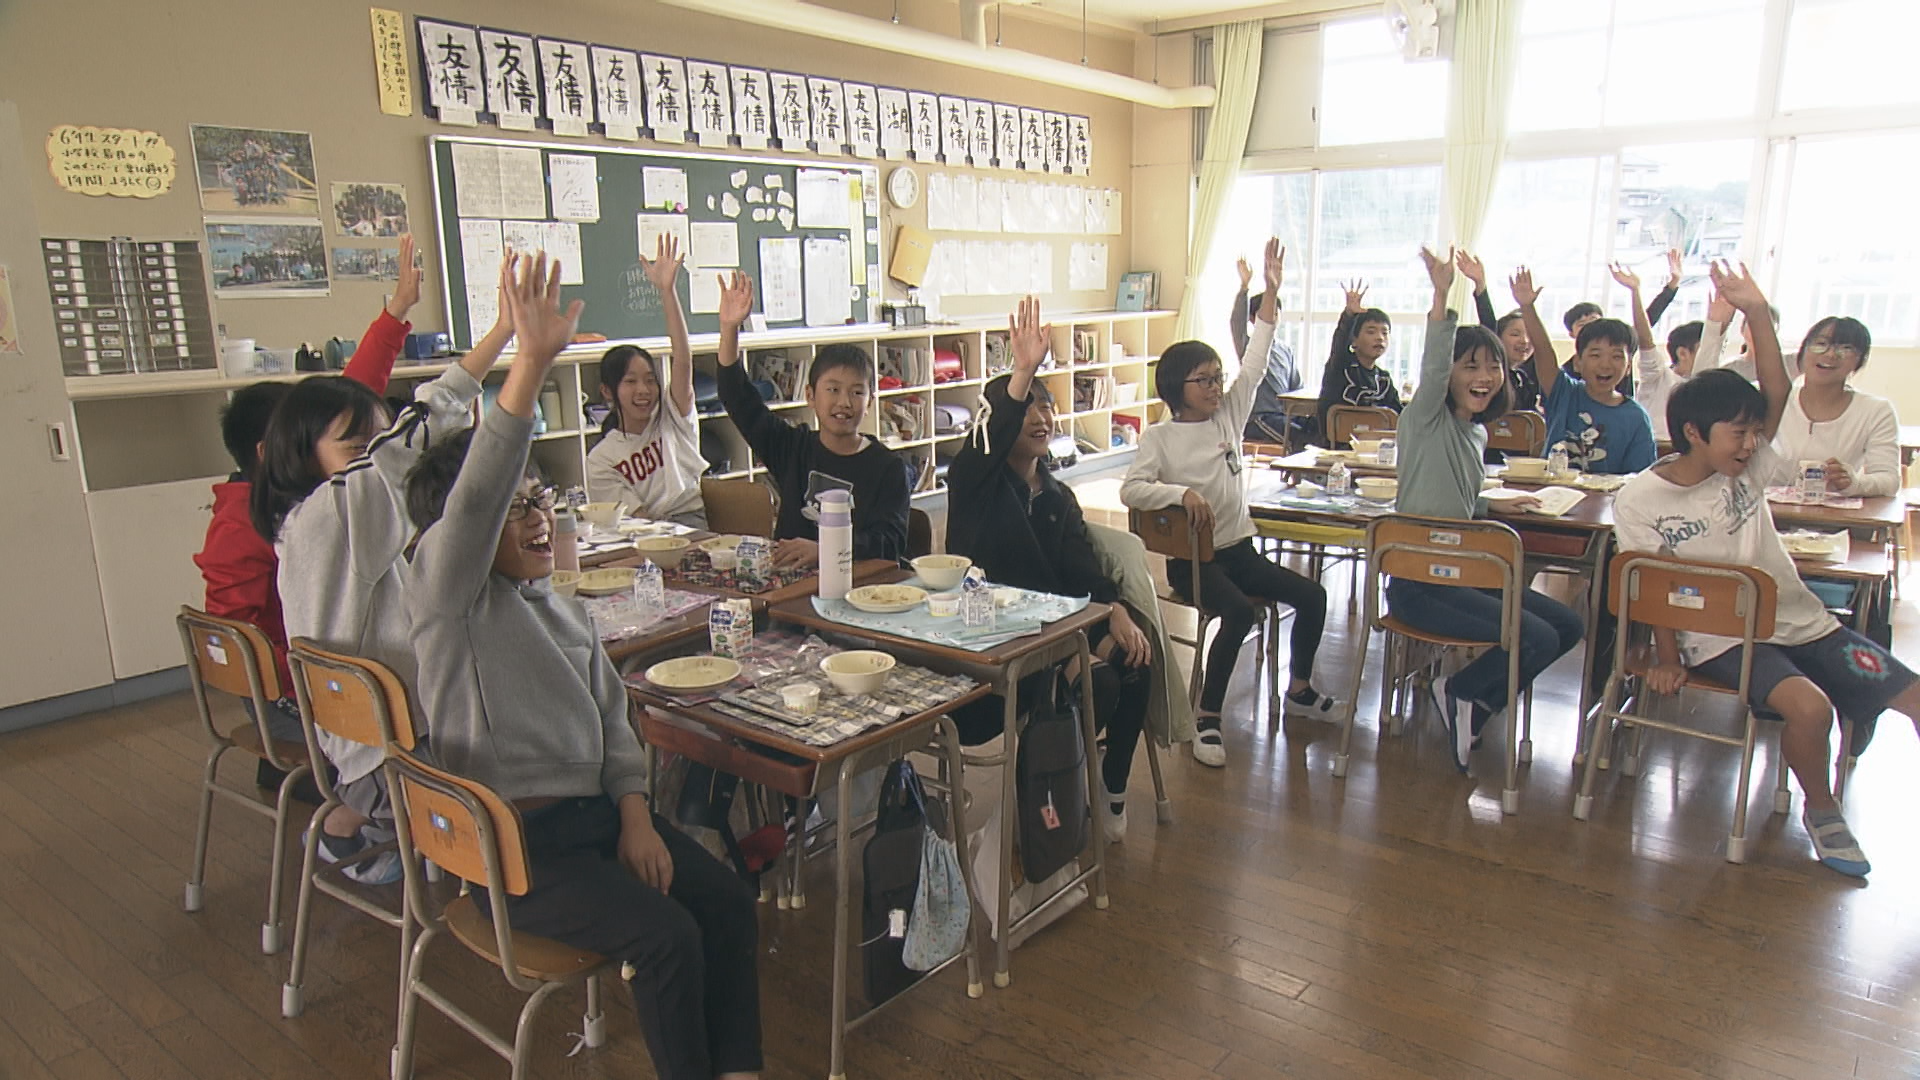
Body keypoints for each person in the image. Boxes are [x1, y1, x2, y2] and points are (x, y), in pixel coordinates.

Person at [404, 253, 761, 1080]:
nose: (535, 519)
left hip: (598, 823)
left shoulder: (556, 600)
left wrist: (636, 813)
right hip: (516, 847)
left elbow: (612, 717)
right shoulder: (447, 598)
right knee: (668, 938)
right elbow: (477, 498)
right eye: (515, 508)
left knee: (728, 904)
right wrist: (526, 364)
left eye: (540, 501)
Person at [1612, 262, 1919, 880]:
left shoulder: (1746, 468)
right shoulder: (1642, 498)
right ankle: (1824, 812)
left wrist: (1755, 310)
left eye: (1758, 433)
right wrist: (1667, 654)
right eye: (1740, 434)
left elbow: (1776, 390)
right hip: (1721, 638)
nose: (1754, 445)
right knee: (1810, 710)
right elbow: (1651, 586)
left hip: (1802, 621)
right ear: (1694, 434)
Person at [251, 255, 515, 883]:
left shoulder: (305, 524)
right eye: (355, 447)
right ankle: (385, 838)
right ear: (300, 455)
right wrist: (504, 339)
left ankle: (361, 828)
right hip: (396, 762)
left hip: (358, 752)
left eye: (375, 441)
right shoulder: (335, 517)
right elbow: (413, 441)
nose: (373, 457)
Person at [195, 235, 423, 793]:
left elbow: (353, 398)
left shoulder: (290, 496)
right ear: (274, 450)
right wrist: (308, 686)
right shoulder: (263, 524)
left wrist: (395, 313)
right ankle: (356, 806)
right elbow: (244, 637)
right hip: (301, 698)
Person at [1122, 240, 1339, 768]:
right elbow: (1132, 490)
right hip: (1195, 562)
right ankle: (1208, 718)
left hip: (1240, 552)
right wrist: (1181, 493)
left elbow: (1258, 359)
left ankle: (1301, 689)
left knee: (1312, 597)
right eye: (1205, 379)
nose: (1217, 385)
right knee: (1238, 614)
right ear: (1178, 387)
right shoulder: (1160, 438)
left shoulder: (1228, 417)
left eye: (1218, 376)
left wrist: (1270, 292)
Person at [948, 296, 1159, 840]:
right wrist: (1022, 372)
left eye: (1047, 407)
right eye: (1029, 408)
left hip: (1060, 630)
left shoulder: (1059, 495)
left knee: (1137, 652)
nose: (1042, 418)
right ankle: (1044, 803)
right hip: (997, 643)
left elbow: (1081, 572)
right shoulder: (976, 487)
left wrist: (1114, 612)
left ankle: (1107, 790)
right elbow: (982, 447)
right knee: (1097, 679)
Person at [1389, 247, 1585, 770]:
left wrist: (1493, 501)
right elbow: (1433, 367)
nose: (1484, 374)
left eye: (1492, 364)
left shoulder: (1473, 432)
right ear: (1447, 375)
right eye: (1469, 364)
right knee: (1535, 635)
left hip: (1463, 573)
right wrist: (1442, 296)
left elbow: (1452, 494)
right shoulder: (1423, 418)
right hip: (1419, 580)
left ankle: (1470, 702)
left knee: (1567, 627)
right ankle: (1460, 691)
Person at [713, 270, 908, 565]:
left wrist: (827, 550)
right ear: (810, 395)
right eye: (833, 389)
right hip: (789, 581)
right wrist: (729, 328)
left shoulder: (888, 468)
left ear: (869, 402)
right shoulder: (793, 447)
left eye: (857, 392)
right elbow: (738, 397)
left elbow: (889, 543)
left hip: (856, 589)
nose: (844, 402)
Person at [585, 234, 709, 527]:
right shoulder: (601, 459)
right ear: (608, 391)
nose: (644, 391)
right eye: (630, 382)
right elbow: (636, 519)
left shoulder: (672, 417)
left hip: (690, 521)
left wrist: (667, 292)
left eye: (650, 380)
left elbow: (683, 360)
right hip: (643, 531)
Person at [1514, 265, 1657, 474]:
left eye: (1616, 356)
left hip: (1604, 504)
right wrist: (1527, 307)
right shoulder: (1564, 393)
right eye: (1595, 355)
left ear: (1628, 367)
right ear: (1578, 362)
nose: (1605, 364)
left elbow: (1638, 479)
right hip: (1553, 499)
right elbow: (1544, 352)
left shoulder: (1636, 418)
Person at [1635, 284, 1733, 443]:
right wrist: (1635, 291)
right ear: (1682, 353)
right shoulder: (1657, 376)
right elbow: (1645, 343)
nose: (1714, 354)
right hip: (1655, 450)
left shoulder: (1709, 385)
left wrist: (1717, 326)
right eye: (1702, 348)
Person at [1227, 254, 1304, 445]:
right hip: (1260, 419)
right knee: (1298, 438)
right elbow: (1236, 322)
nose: (1273, 316)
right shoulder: (1249, 346)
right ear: (1253, 318)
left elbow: (1297, 388)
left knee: (1316, 431)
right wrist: (1245, 286)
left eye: (1276, 312)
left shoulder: (1285, 350)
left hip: (1284, 416)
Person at [1314, 279, 1401, 444]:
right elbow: (1339, 344)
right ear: (1354, 341)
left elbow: (1400, 416)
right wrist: (1349, 315)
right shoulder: (1341, 367)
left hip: (1377, 450)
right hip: (1337, 448)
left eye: (1385, 332)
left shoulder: (1383, 380)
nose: (1379, 337)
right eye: (1371, 331)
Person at [1458, 250, 1539, 413]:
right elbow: (1488, 326)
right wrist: (1480, 285)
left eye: (1530, 335)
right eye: (1515, 334)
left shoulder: (1524, 379)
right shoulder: (1489, 377)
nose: (1524, 341)